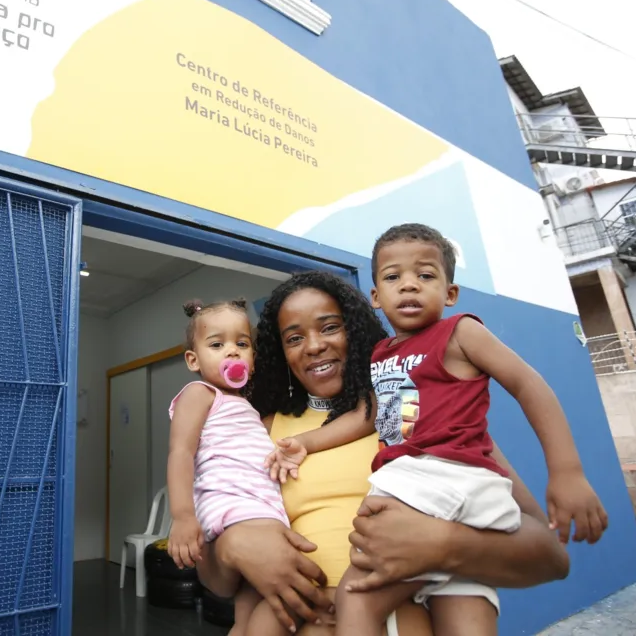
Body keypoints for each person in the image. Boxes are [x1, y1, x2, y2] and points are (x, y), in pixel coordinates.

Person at [192, 270, 570, 636]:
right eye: (293, 338)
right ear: (280, 353)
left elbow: (550, 557)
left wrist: (444, 544)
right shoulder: (262, 430)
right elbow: (218, 583)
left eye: (330, 327)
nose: (314, 346)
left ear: (355, 331)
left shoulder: (416, 413)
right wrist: (231, 547)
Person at [333, 223, 607, 636]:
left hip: (434, 477)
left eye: (425, 275)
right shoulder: (383, 354)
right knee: (466, 612)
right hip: (451, 491)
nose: (408, 286)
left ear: (450, 293)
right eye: (393, 277)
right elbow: (376, 415)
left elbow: (528, 383)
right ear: (375, 297)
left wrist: (566, 472)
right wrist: (301, 443)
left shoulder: (460, 331)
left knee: (355, 596)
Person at [166, 299, 375, 636]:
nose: (315, 346)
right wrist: (200, 525)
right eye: (294, 338)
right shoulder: (259, 419)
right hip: (241, 518)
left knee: (253, 610)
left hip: (373, 605)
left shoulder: (396, 412)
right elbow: (180, 452)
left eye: (242, 343)